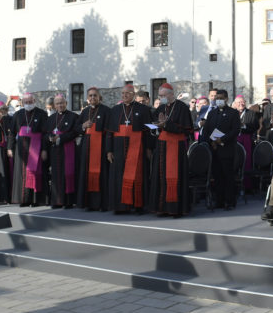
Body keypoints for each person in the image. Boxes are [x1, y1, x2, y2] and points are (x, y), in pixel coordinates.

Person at [105, 83, 153, 213]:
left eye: (127, 93)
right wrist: (109, 151)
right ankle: (121, 207)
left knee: (137, 176)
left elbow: (148, 131)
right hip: (118, 149)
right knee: (119, 177)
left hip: (137, 148)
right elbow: (109, 132)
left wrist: (149, 148)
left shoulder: (143, 109)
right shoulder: (115, 110)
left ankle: (138, 205)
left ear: (133, 95)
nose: (124, 95)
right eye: (122, 93)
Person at [150, 83, 194, 216]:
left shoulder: (182, 108)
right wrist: (157, 126)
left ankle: (175, 209)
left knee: (176, 176)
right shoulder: (161, 108)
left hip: (176, 146)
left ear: (171, 94)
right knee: (160, 176)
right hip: (162, 147)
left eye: (163, 95)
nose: (162, 98)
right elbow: (155, 123)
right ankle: (162, 208)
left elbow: (186, 130)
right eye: (160, 96)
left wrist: (166, 124)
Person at [200, 88, 241, 209]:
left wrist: (221, 140)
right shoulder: (212, 113)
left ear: (226, 99)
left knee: (228, 176)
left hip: (227, 149)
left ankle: (230, 201)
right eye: (217, 99)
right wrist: (211, 141)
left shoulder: (233, 113)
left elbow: (235, 130)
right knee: (217, 176)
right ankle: (219, 200)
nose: (218, 101)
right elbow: (206, 130)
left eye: (221, 99)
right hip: (214, 150)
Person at [77, 86, 112, 211]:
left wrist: (108, 151)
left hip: (101, 147)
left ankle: (102, 204)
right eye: (90, 96)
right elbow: (76, 129)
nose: (93, 98)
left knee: (102, 174)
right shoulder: (84, 112)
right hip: (87, 147)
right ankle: (89, 203)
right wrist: (83, 125)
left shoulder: (107, 111)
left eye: (95, 95)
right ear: (87, 98)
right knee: (86, 173)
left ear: (99, 97)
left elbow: (109, 132)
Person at [9, 92, 46, 207]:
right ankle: (23, 199)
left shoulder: (42, 114)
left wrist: (44, 149)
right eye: (26, 102)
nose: (28, 104)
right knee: (21, 174)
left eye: (30, 102)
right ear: (22, 103)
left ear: (34, 101)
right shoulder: (17, 114)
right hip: (21, 149)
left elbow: (45, 133)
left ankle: (35, 200)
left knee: (35, 173)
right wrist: (10, 147)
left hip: (36, 147)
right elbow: (11, 133)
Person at [44, 94, 80, 209]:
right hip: (55, 150)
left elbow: (76, 132)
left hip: (68, 148)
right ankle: (57, 200)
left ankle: (68, 201)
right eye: (58, 103)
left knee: (67, 174)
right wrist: (50, 138)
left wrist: (60, 138)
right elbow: (45, 133)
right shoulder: (50, 118)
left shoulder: (74, 116)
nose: (60, 105)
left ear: (66, 103)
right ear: (54, 105)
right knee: (56, 175)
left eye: (62, 103)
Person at [233, 95, 259, 191]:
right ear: (235, 104)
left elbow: (255, 126)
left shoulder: (251, 113)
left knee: (246, 161)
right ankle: (235, 186)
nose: (241, 104)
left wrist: (244, 126)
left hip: (247, 139)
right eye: (239, 102)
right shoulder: (233, 113)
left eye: (242, 102)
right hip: (235, 140)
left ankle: (247, 186)